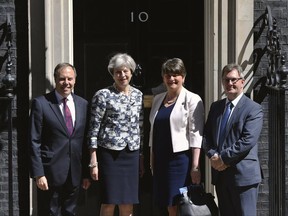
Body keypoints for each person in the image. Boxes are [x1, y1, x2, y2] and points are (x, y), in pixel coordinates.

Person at [29, 63, 91, 216]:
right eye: (62, 79)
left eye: (70, 79)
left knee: (71, 212)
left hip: (75, 172)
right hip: (50, 172)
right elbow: (34, 140)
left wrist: (85, 174)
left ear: (75, 80)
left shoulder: (83, 104)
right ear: (55, 79)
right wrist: (38, 173)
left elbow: (84, 141)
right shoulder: (41, 103)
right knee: (50, 212)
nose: (66, 83)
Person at [202, 63, 263, 216]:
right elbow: (206, 135)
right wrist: (212, 155)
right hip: (221, 177)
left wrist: (222, 158)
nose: (230, 83)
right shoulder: (216, 107)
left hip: (244, 178)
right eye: (226, 80)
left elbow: (247, 140)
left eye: (234, 80)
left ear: (242, 82)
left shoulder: (253, 108)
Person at [87, 53, 144, 216]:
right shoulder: (103, 95)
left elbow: (140, 128)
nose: (122, 75)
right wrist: (93, 160)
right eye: (118, 72)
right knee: (109, 202)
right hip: (109, 155)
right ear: (112, 73)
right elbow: (93, 128)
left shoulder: (138, 96)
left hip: (131, 154)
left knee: (128, 204)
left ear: (131, 72)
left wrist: (141, 156)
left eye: (125, 71)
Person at [148, 58, 204, 216]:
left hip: (180, 161)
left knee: (180, 202)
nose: (171, 78)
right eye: (167, 75)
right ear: (163, 78)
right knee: (167, 202)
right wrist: (152, 160)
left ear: (183, 77)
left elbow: (196, 134)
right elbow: (154, 131)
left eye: (176, 74)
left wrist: (195, 166)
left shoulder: (192, 99)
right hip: (160, 160)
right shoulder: (158, 99)